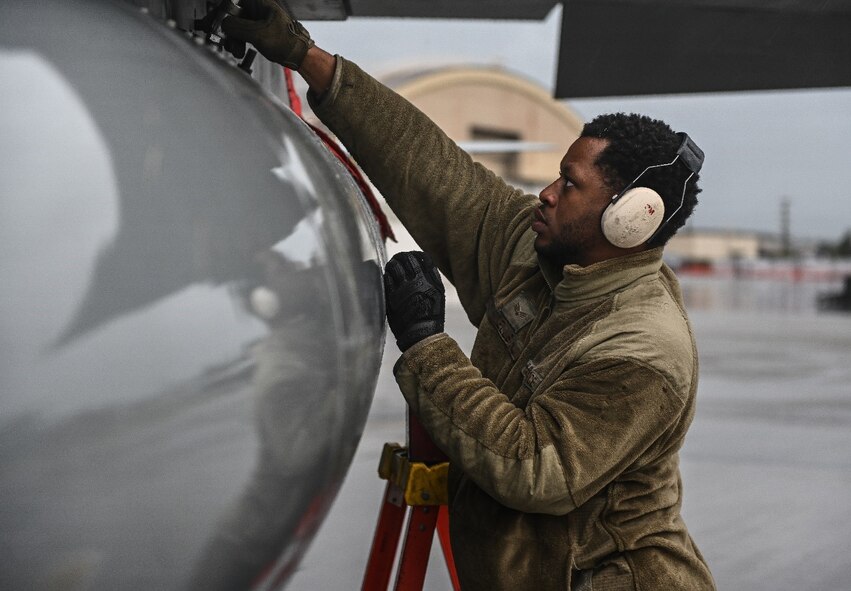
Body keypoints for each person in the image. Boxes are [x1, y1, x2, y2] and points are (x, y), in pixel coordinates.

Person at [223, 2, 716, 589]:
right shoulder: (542, 253)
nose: (548, 192)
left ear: (630, 220)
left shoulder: (642, 350)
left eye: (571, 184)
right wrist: (305, 56)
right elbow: (434, 174)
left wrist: (428, 344)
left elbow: (535, 468)